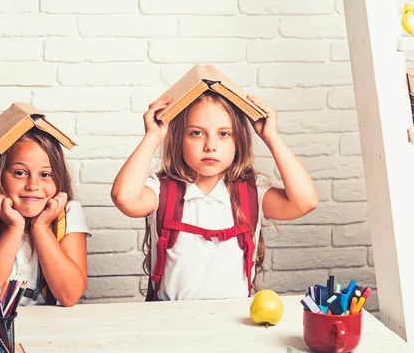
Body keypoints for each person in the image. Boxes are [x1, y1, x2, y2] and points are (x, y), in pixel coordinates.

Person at [111, 91, 318, 301]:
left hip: (234, 322)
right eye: (197, 133)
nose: (210, 145)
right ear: (178, 139)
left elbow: (305, 202)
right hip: (169, 321)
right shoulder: (161, 190)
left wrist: (271, 136)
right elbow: (124, 198)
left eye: (224, 134)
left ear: (239, 142)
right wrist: (153, 136)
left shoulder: (251, 192)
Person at [0, 127, 89, 307]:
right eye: (20, 173)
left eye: (45, 175)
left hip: (46, 323)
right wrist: (13, 228)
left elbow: (69, 296)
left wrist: (42, 227)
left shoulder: (68, 211)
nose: (33, 185)